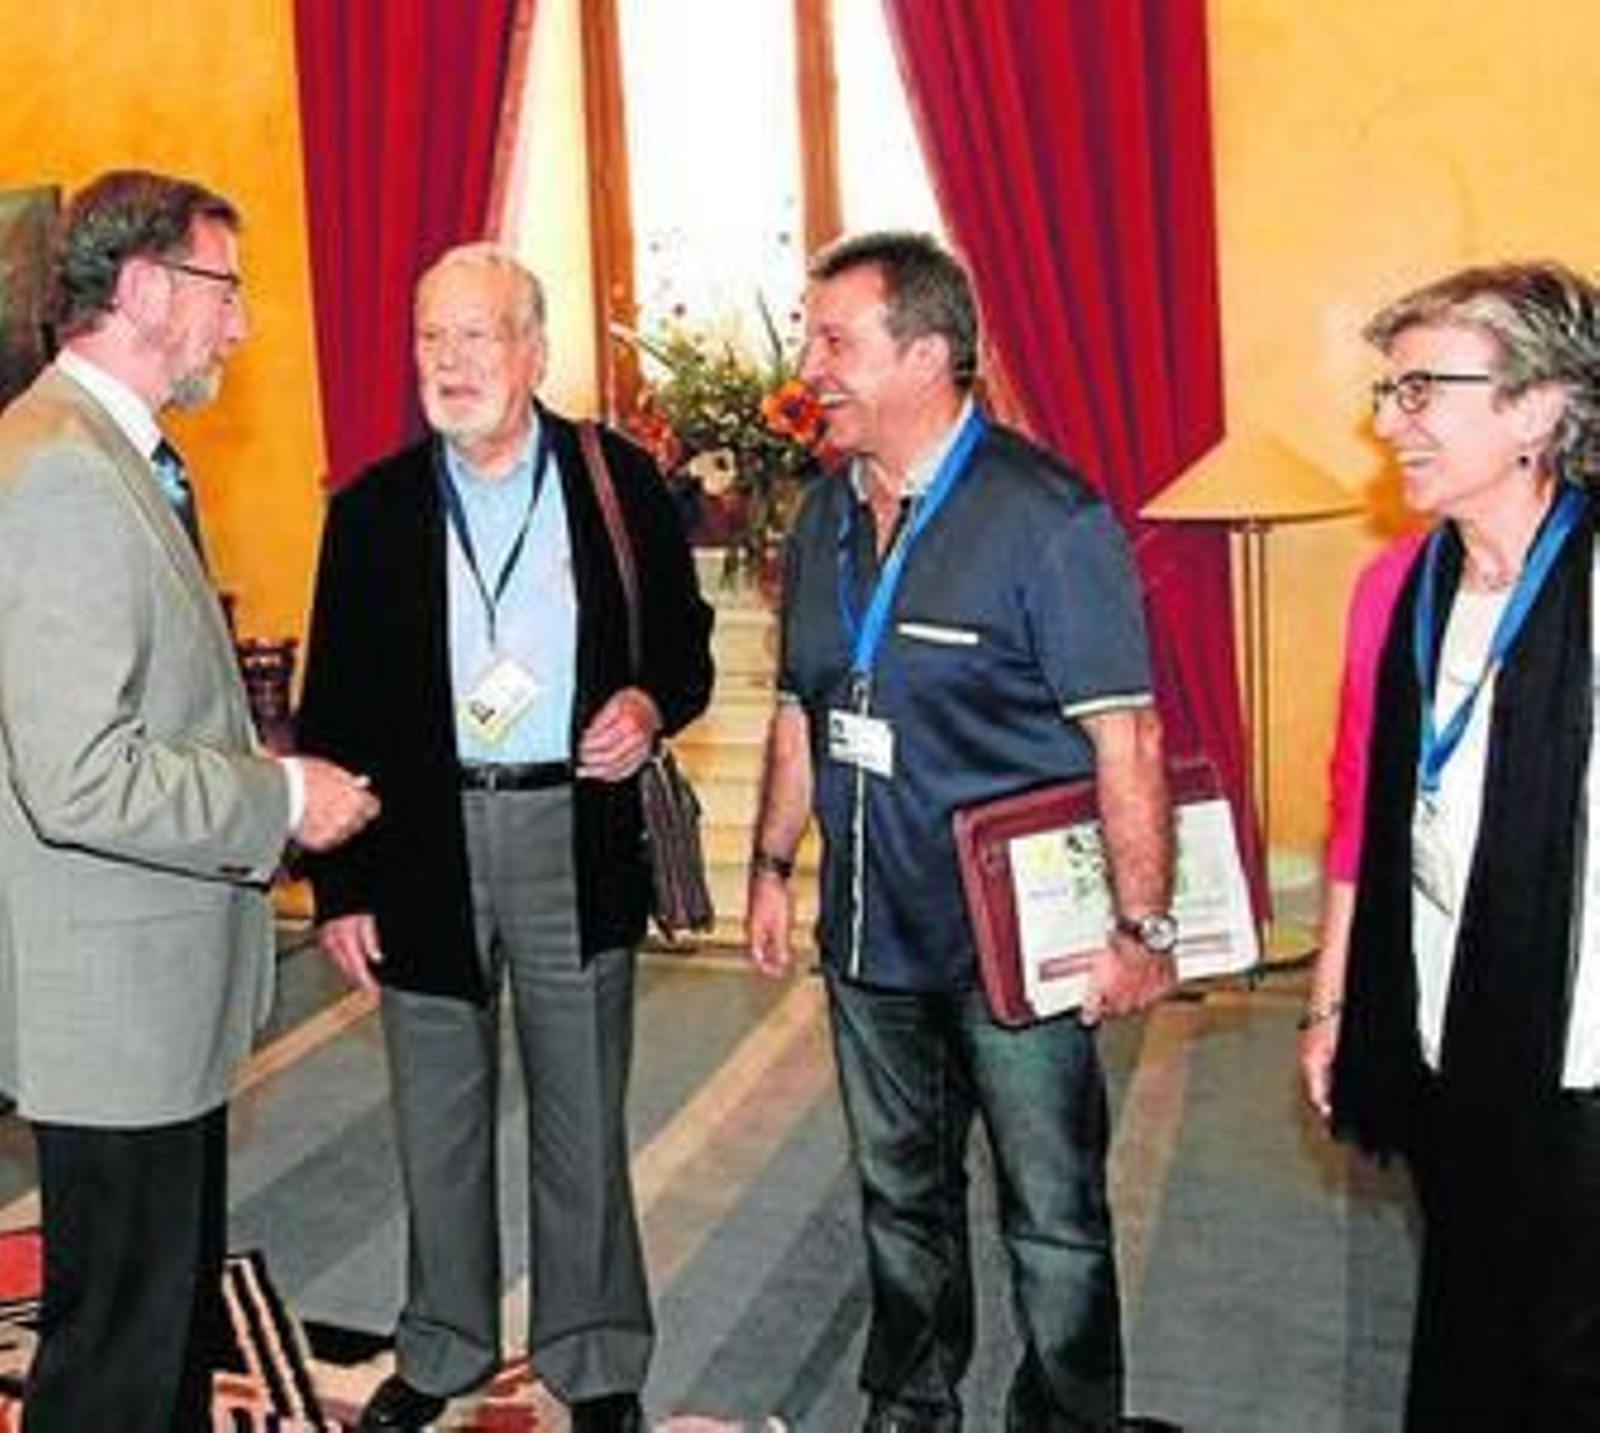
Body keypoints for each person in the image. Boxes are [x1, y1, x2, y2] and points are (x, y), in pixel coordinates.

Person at [746, 231, 1177, 1432]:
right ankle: (913, 1400)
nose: (811, 364)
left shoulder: (1048, 516)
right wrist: (773, 865)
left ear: (927, 353)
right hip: (870, 933)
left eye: (837, 340)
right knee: (898, 1191)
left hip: (1015, 947)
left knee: (1050, 1208)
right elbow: (803, 706)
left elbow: (1125, 738)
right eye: (810, 336)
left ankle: (1070, 1414)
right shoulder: (824, 512)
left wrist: (1140, 926)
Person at [295, 242, 714, 1433]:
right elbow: (336, 707)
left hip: (569, 829)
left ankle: (593, 1356)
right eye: (432, 337)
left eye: (477, 335)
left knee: (582, 1106)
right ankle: (441, 1343)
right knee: (437, 1106)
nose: (450, 360)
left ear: (534, 349)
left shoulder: (615, 480)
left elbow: (682, 646)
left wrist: (645, 705)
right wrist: (341, 887)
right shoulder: (373, 508)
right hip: (421, 833)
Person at [0, 169, 379, 1432]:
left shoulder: (116, 453)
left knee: (157, 1337)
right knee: (112, 1354)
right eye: (225, 289)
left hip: (151, 1000)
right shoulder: (57, 469)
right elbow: (79, 774)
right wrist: (277, 795)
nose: (241, 323)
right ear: (148, 288)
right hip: (109, 1011)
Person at [1322, 261, 1600, 1430]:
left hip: (1580, 1058)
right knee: (1471, 1315)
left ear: (1538, 408)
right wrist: (1333, 1002)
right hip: (1446, 1032)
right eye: (1390, 391)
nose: (1392, 422)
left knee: (1566, 1348)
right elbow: (1370, 818)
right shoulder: (1413, 585)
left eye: (1423, 390)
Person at [1299, 529, 1421, 1119]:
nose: (1389, 429)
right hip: (1445, 955)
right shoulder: (1396, 581)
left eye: (1425, 423)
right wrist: (1332, 993)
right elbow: (1358, 799)